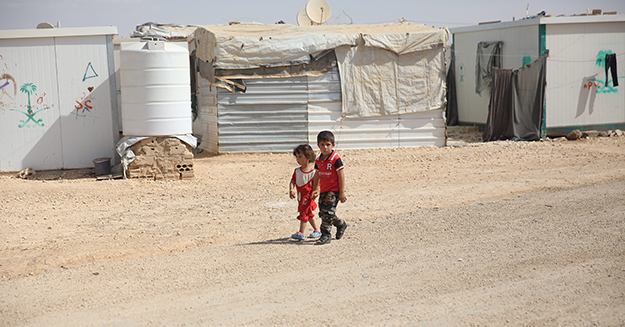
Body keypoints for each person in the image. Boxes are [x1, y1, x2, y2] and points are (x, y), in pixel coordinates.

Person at [312, 130, 347, 245]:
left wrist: (342, 192)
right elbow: (316, 174)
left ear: (333, 145)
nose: (325, 147)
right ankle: (341, 224)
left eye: (328, 144)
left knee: (327, 213)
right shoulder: (318, 160)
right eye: (322, 145)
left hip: (334, 191)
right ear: (318, 146)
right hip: (324, 190)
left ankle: (325, 235)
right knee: (323, 213)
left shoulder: (335, 159)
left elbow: (341, 175)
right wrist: (316, 189)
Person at [289, 144, 322, 240]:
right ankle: (317, 230)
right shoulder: (297, 171)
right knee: (309, 213)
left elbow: (317, 184)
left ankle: (301, 232)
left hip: (308, 197)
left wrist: (316, 192)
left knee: (304, 213)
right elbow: (293, 181)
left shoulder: (313, 172)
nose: (298, 159)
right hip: (300, 197)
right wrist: (291, 189)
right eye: (297, 157)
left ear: (308, 158)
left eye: (300, 156)